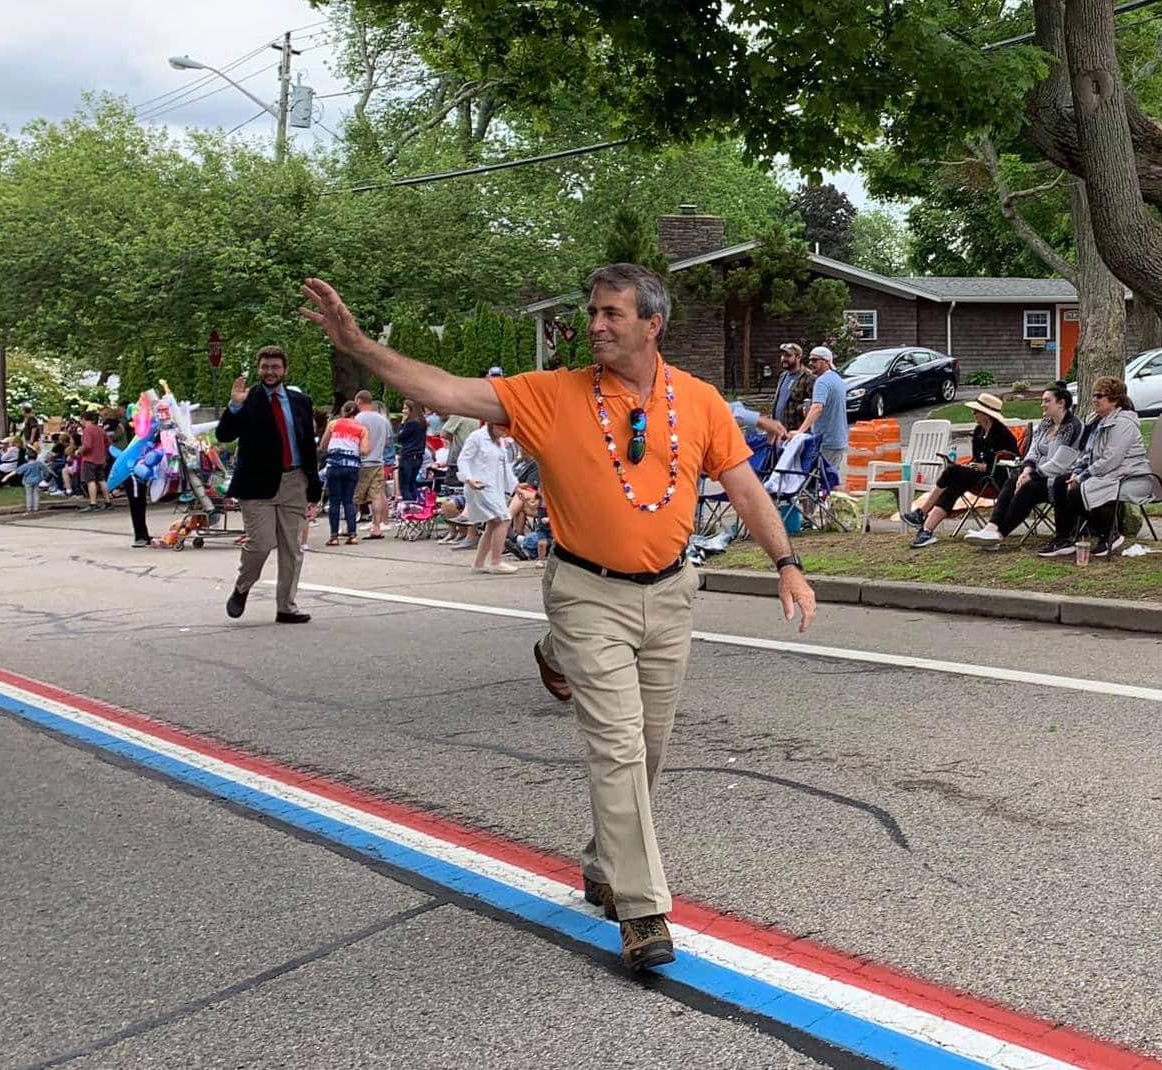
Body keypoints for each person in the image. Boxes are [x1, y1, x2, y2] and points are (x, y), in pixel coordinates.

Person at [300, 263, 816, 974]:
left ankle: (606, 851)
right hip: (586, 591)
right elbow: (442, 388)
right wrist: (358, 343)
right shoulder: (551, 396)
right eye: (593, 313)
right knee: (619, 748)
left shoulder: (696, 401)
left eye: (612, 314)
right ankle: (641, 911)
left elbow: (746, 487)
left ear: (651, 325)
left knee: (653, 746)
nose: (595, 325)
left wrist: (786, 563)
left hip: (670, 593)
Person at [217, 345, 322, 624]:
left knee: (292, 548)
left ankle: (286, 607)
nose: (270, 372)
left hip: (294, 481)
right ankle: (242, 588)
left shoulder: (300, 401)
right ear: (259, 368)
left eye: (275, 367)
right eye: (265, 367)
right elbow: (224, 434)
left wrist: (314, 484)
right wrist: (235, 405)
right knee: (261, 543)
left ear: (285, 370)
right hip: (256, 485)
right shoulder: (247, 399)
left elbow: (307, 446)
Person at [1037, 376, 1151, 559]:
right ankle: (1063, 538)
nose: (1094, 400)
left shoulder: (1124, 423)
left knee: (1078, 490)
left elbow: (1111, 459)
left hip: (1128, 474)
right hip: (1105, 472)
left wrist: (1083, 476)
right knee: (1061, 482)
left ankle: (1109, 535)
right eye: (1094, 395)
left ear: (1114, 400)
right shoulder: (1096, 421)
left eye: (1100, 396)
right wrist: (1076, 471)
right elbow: (1087, 453)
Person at [964, 381, 1084, 545]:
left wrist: (1032, 475)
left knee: (1028, 487)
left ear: (1061, 403)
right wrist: (1027, 470)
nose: (1042, 404)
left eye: (1047, 401)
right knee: (1014, 478)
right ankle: (991, 527)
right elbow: (1033, 450)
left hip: (1060, 479)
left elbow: (1060, 463)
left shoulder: (1072, 427)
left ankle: (1000, 534)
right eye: (1042, 400)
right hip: (1038, 475)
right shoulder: (1045, 423)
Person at [902, 392, 1019, 549]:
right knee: (954, 485)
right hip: (979, 476)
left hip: (997, 479)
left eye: (976, 411)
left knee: (952, 472)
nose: (973, 414)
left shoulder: (1003, 435)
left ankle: (922, 512)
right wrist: (975, 465)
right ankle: (926, 530)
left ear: (986, 415)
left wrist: (987, 466)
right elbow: (977, 458)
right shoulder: (978, 432)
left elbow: (1013, 461)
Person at [457, 422, 520, 575]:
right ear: (491, 425)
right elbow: (463, 460)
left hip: (495, 487)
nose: (504, 433)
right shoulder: (476, 437)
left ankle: (479, 563)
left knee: (493, 523)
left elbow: (506, 468)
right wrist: (469, 478)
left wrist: (516, 488)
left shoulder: (500, 442)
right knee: (503, 519)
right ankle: (496, 561)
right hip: (480, 485)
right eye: (501, 429)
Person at [786, 345, 849, 471]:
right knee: (831, 477)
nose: (811, 363)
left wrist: (800, 431)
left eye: (815, 360)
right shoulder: (836, 378)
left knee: (823, 480)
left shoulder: (822, 381)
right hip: (838, 439)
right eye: (810, 360)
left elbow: (817, 408)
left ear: (826, 362)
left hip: (826, 441)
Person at [319, 400, 370, 546]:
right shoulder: (362, 429)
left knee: (335, 501)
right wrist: (353, 449)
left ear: (343, 411)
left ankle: (334, 537)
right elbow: (365, 450)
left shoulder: (333, 424)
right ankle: (352, 535)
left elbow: (323, 445)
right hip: (352, 466)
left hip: (334, 465)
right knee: (348, 500)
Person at [352, 390, 390, 539]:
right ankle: (376, 527)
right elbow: (387, 442)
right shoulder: (383, 420)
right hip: (378, 461)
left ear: (359, 401)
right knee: (376, 495)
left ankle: (350, 526)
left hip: (362, 462)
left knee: (355, 496)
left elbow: (354, 439)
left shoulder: (358, 418)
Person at [769, 343, 816, 430]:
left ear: (798, 357)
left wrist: (801, 409)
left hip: (796, 432)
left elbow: (815, 405)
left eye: (788, 356)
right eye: (782, 355)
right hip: (779, 432)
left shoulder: (808, 377)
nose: (784, 358)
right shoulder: (783, 376)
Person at [77, 412, 113, 511]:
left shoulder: (87, 430)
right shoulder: (100, 430)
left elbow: (87, 445)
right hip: (101, 459)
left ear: (84, 419)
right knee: (102, 480)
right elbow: (109, 443)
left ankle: (93, 503)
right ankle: (108, 502)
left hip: (89, 459)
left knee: (90, 481)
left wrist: (79, 451)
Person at [396, 398, 428, 501]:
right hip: (418, 456)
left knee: (404, 485)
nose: (403, 411)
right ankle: (416, 504)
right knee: (412, 483)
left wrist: (402, 422)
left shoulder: (410, 424)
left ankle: (409, 506)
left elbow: (400, 437)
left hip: (408, 456)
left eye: (405, 408)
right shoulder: (422, 423)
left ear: (411, 410)